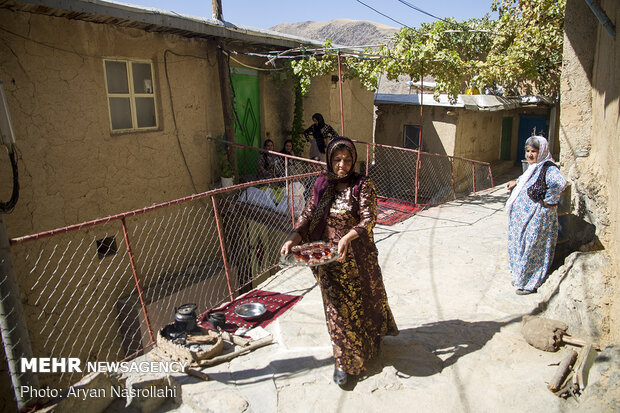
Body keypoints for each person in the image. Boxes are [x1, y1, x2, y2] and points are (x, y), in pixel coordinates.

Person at [280, 136, 399, 386]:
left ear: (353, 160)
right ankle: (345, 363)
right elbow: (308, 213)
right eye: (336, 159)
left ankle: (370, 342)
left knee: (364, 303)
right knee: (337, 311)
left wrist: (348, 237)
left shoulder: (362, 185)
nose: (341, 164)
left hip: (358, 258)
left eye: (346, 159)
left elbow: (369, 218)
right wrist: (293, 237)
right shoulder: (323, 184)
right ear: (330, 160)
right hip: (329, 260)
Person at [505, 136, 567, 295]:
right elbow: (528, 179)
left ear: (542, 152)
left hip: (538, 217)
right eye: (527, 151)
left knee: (533, 247)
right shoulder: (535, 167)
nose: (530, 155)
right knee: (521, 244)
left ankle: (529, 283)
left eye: (534, 151)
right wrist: (516, 182)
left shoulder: (549, 168)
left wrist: (549, 202)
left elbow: (559, 183)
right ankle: (521, 276)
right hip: (524, 218)